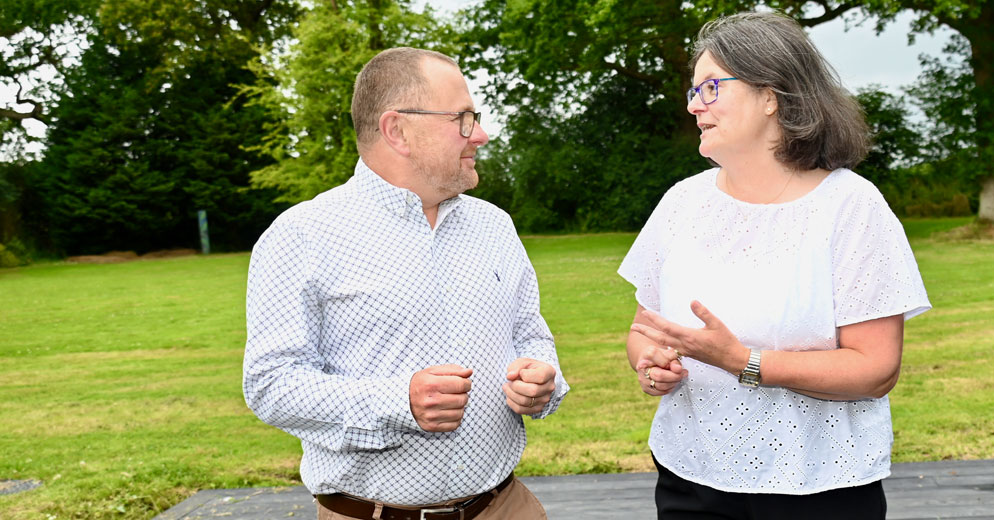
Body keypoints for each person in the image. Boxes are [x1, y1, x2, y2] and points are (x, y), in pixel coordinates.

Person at [618, 11, 931, 519]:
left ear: (772, 95)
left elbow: (874, 369)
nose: (695, 105)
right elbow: (642, 327)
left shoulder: (851, 206)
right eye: (693, 92)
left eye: (711, 88)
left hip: (819, 489)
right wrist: (650, 363)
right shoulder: (680, 202)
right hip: (688, 481)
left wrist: (743, 362)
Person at [243, 47, 569, 520]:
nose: (481, 133)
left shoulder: (495, 226)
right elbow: (271, 385)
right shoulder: (302, 236)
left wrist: (542, 379)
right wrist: (399, 403)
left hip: (504, 506)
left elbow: (530, 334)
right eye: (462, 118)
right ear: (397, 130)